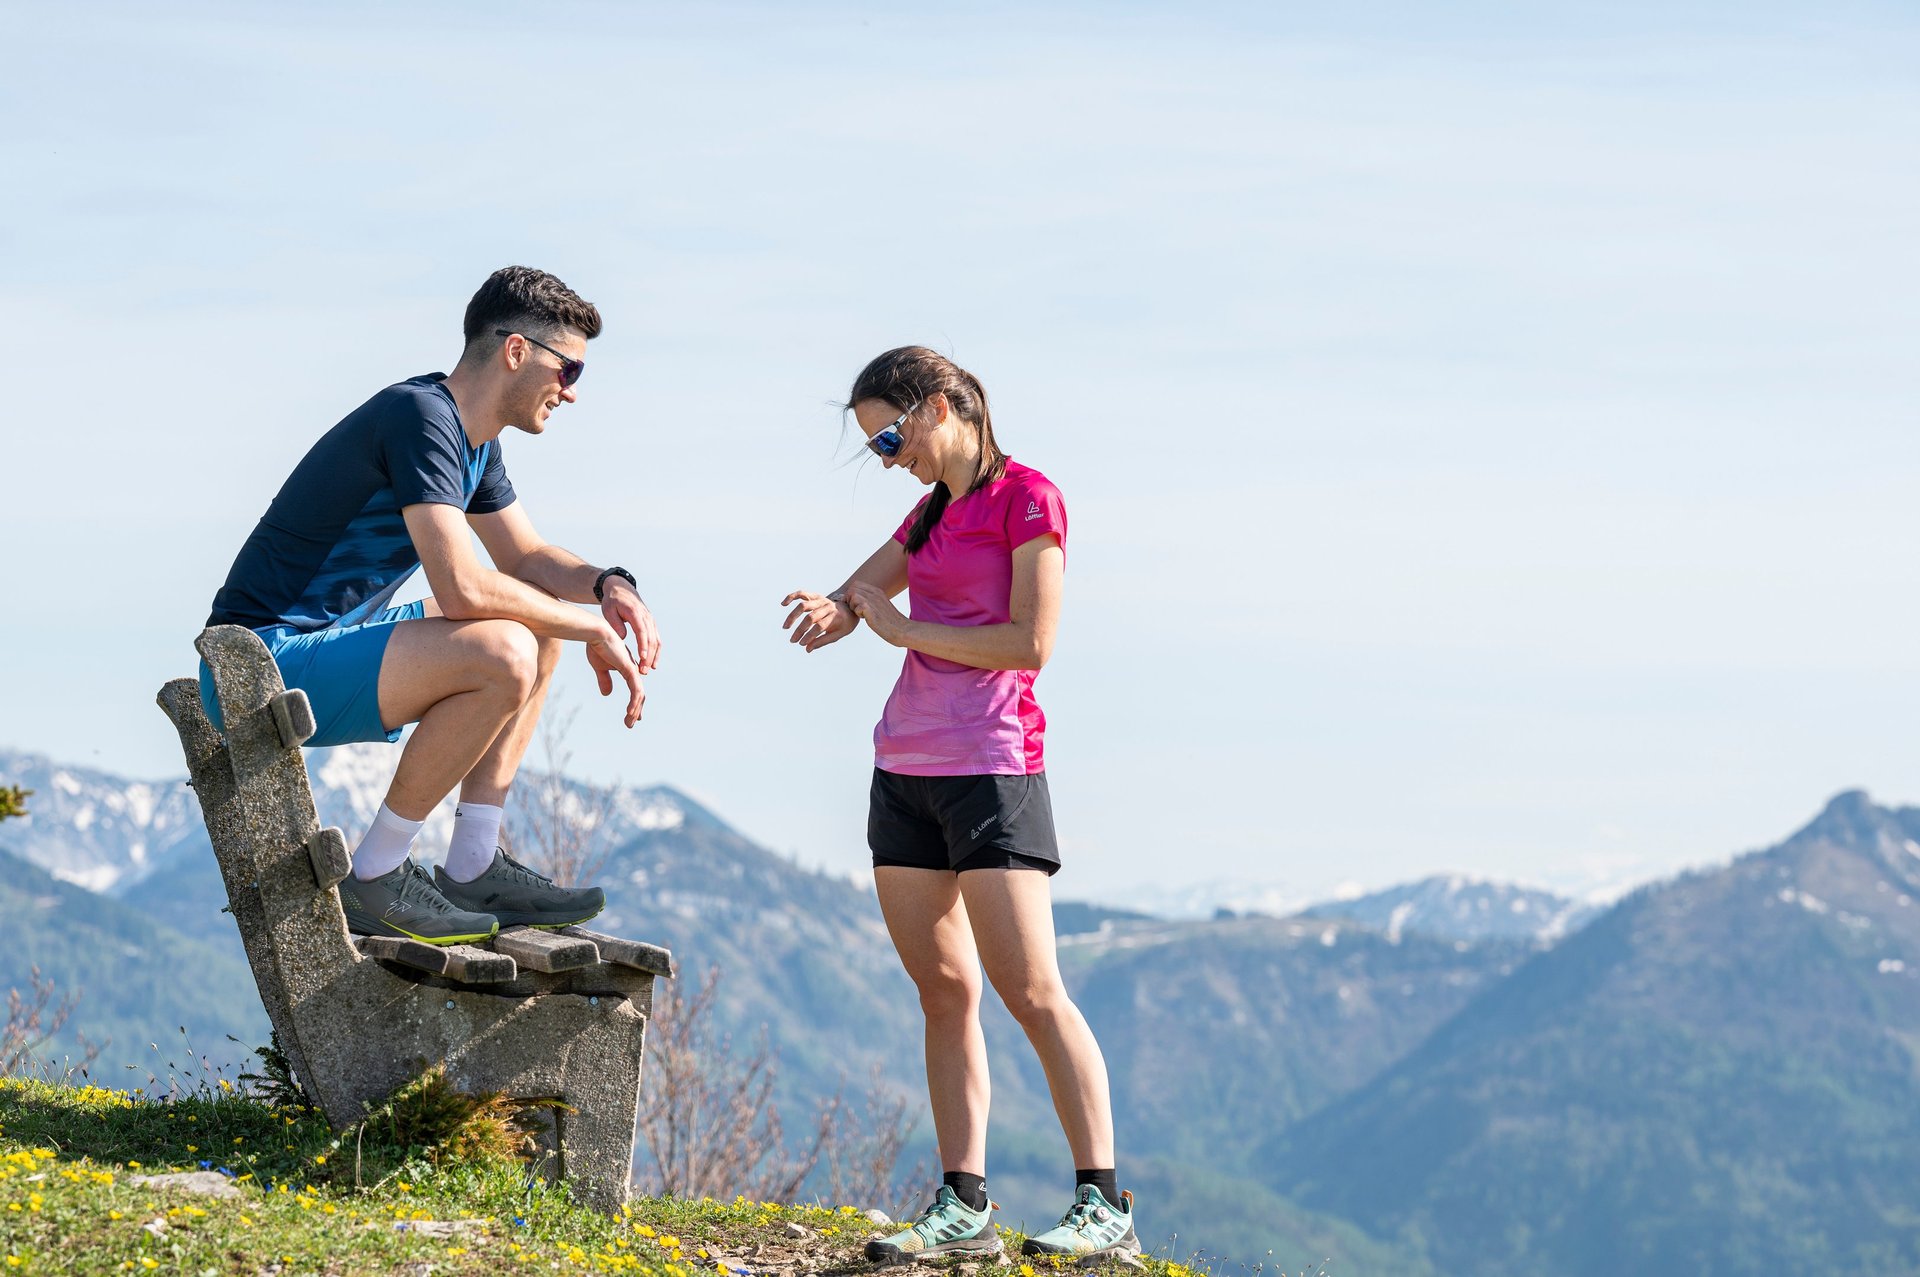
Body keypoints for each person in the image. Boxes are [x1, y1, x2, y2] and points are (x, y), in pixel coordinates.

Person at [781, 347, 1140, 1261]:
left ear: (943, 406)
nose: (888, 454)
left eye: (892, 435)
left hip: (993, 766)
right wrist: (838, 611)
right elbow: (864, 588)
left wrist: (899, 628)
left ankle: (1104, 1202)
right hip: (904, 770)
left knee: (1030, 989)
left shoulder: (1030, 497)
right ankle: (963, 1204)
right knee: (943, 992)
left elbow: (1032, 642)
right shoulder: (928, 512)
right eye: (874, 445)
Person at [200, 266, 660, 945]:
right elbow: (462, 589)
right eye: (569, 372)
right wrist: (589, 625)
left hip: (317, 648)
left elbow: (527, 559)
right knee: (508, 643)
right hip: (259, 665)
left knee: (536, 628)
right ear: (515, 352)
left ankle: (473, 862)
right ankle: (378, 872)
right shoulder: (420, 418)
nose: (570, 393)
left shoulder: (474, 441)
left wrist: (607, 584)